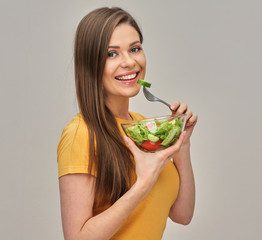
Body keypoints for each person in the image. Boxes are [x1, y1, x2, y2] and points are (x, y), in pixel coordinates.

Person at [57, 7, 198, 240]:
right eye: (112, 54)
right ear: (91, 64)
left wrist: (182, 143)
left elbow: (182, 214)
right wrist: (142, 184)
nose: (129, 62)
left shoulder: (144, 128)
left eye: (135, 49)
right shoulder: (81, 133)